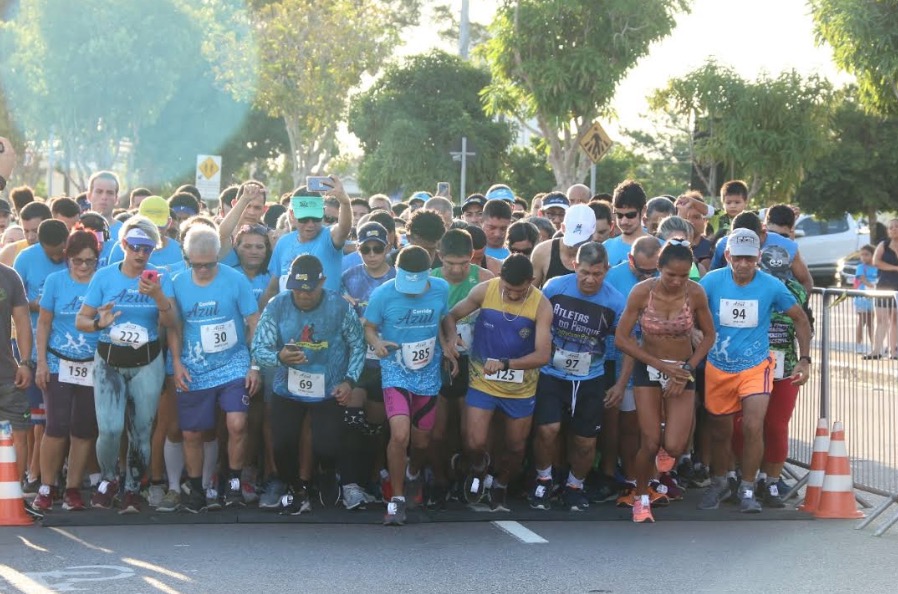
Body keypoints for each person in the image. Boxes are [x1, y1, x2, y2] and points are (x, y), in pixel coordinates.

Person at [698, 228, 811, 513]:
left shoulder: (771, 285)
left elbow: (800, 318)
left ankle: (748, 488)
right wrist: (694, 333)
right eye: (738, 258)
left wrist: (805, 359)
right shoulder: (711, 281)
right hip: (719, 367)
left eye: (749, 258)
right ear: (727, 255)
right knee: (721, 433)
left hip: (756, 366)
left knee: (752, 426)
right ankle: (720, 482)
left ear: (758, 257)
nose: (744, 264)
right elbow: (688, 310)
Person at [76, 216, 178, 513]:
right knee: (109, 429)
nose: (140, 253)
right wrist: (99, 323)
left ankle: (133, 487)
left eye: (147, 248)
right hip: (110, 358)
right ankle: (108, 479)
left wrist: (157, 295)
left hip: (147, 360)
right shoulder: (104, 276)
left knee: (141, 432)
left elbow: (171, 321)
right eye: (135, 246)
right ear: (123, 245)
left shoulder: (160, 277)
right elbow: (81, 320)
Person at [252, 255, 366, 514]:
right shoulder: (276, 305)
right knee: (281, 445)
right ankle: (297, 490)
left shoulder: (340, 306)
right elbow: (259, 348)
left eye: (309, 289)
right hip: (287, 387)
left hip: (329, 387)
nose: (303, 295)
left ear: (322, 281)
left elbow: (358, 345)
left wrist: (349, 381)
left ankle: (327, 470)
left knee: (327, 445)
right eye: (297, 289)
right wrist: (279, 357)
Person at [614, 240, 716, 522]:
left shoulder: (695, 293)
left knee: (674, 446)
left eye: (683, 275)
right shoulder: (641, 292)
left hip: (682, 370)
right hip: (649, 368)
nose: (677, 281)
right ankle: (641, 497)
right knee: (649, 442)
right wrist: (659, 365)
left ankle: (661, 467)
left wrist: (687, 368)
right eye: (671, 275)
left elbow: (709, 335)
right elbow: (621, 338)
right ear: (659, 268)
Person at [443, 254, 553, 511]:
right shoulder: (485, 289)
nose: (512, 295)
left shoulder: (542, 305)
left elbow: (543, 355)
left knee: (515, 447)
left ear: (531, 281)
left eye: (519, 291)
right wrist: (451, 337)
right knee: (474, 442)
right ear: (500, 278)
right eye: (508, 289)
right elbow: (450, 316)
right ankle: (478, 470)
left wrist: (506, 364)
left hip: (521, 388)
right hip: (483, 381)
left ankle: (501, 483)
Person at [530, 242, 628, 512]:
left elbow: (627, 344)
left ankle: (575, 486)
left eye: (597, 274)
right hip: (551, 373)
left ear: (607, 270)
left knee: (584, 441)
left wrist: (620, 384)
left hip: (590, 378)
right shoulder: (554, 288)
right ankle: (543, 480)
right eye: (584, 272)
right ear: (574, 266)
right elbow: (536, 324)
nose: (590, 279)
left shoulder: (616, 301)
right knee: (548, 430)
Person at [169, 225, 260, 512]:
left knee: (237, 424)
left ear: (218, 257)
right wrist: (176, 362)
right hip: (194, 367)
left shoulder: (236, 280)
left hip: (233, 362)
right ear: (187, 258)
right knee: (192, 433)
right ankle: (197, 489)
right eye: (196, 265)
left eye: (209, 264)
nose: (203, 270)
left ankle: (233, 484)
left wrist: (254, 365)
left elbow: (255, 322)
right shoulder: (177, 282)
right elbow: (174, 327)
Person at [363, 246, 450, 525]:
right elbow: (369, 327)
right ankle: (397, 500)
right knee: (400, 435)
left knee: (421, 441)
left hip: (428, 373)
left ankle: (413, 472)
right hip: (395, 369)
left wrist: (450, 343)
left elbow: (445, 317)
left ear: (429, 272)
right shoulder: (383, 293)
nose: (412, 291)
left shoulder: (441, 288)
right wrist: (377, 343)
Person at [31, 230, 102, 512]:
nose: (83, 266)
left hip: (92, 364)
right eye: (77, 260)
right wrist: (41, 363)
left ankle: (72, 488)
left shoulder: (102, 281)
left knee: (83, 428)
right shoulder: (55, 281)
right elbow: (44, 323)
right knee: (56, 425)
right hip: (58, 361)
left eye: (90, 260)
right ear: (67, 258)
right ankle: (47, 486)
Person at [428, 229, 493, 505]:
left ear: (473, 256)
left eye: (463, 264)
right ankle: (440, 480)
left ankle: (471, 474)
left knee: (471, 437)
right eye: (450, 264)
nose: (456, 270)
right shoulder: (429, 280)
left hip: (474, 364)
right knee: (436, 433)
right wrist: (445, 343)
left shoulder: (486, 280)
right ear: (439, 256)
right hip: (437, 362)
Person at [14, 219, 69, 492]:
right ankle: (32, 474)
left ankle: (50, 474)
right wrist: (38, 305)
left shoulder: (76, 257)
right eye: (51, 254)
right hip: (33, 349)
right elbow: (14, 301)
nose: (58, 258)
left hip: (67, 349)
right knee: (35, 419)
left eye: (61, 252)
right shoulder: (25, 258)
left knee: (56, 419)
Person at [261, 178, 352, 304]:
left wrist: (345, 202)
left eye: (315, 219)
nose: (310, 224)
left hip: (327, 314)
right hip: (290, 315)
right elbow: (272, 289)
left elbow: (344, 228)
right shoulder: (283, 242)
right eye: (304, 219)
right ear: (292, 215)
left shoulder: (330, 237)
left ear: (322, 213)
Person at [710, 210, 813, 293]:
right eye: (738, 256)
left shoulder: (787, 246)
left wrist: (796, 305)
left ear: (763, 232)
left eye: (752, 240)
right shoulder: (723, 245)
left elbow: (806, 282)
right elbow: (713, 280)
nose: (746, 246)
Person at [105, 196, 185, 273]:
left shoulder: (180, 251)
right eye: (148, 226)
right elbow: (111, 277)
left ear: (169, 222)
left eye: (159, 225)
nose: (154, 231)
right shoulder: (123, 247)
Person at [531, 204, 596, 288]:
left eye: (582, 242)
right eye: (572, 241)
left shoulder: (600, 256)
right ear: (563, 228)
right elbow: (530, 292)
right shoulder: (542, 252)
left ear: (593, 233)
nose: (576, 246)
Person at [868, 219, 898, 359]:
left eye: (896, 226)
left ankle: (894, 351)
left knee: (895, 319)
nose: (893, 229)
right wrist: (895, 268)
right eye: (891, 227)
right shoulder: (883, 245)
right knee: (881, 319)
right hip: (884, 285)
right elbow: (876, 262)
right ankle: (876, 351)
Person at [603, 180, 650, 267]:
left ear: (643, 210)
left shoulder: (661, 248)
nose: (624, 221)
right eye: (619, 215)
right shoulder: (605, 248)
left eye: (630, 215)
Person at [854, 245, 877, 354]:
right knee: (862, 320)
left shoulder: (877, 267)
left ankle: (874, 345)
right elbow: (862, 279)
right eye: (862, 255)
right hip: (862, 297)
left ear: (873, 255)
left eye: (866, 254)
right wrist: (872, 286)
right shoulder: (861, 267)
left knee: (871, 322)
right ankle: (859, 345)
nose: (864, 257)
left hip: (873, 298)